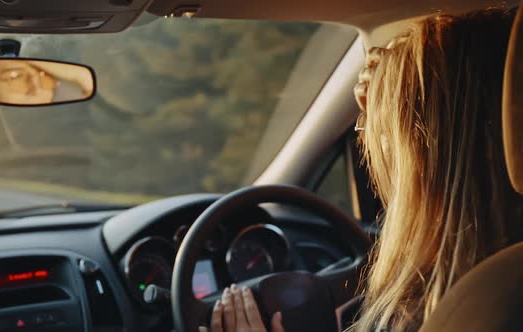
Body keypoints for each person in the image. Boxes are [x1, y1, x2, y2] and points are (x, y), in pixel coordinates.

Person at [203, 6, 523, 332]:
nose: (367, 143)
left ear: (422, 154)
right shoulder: (500, 290)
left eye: (381, 134)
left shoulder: (446, 314)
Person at [0, 59, 93, 105]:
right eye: (13, 77)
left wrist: (81, 75)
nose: (36, 84)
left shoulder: (68, 95)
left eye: (42, 73)